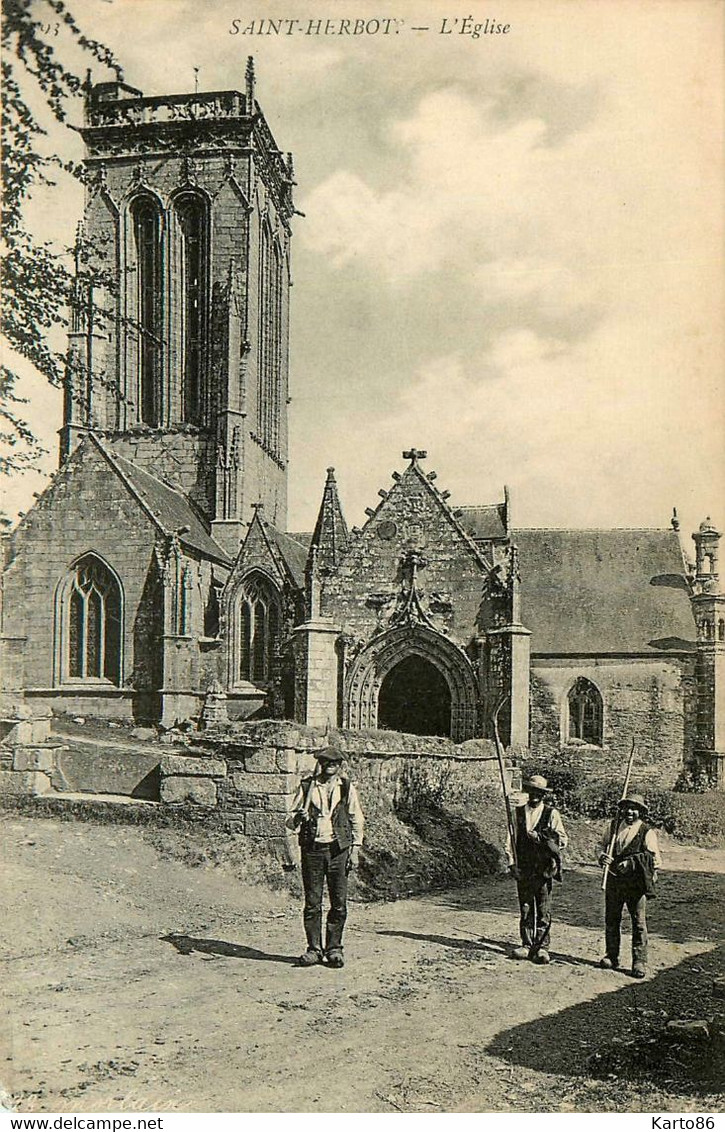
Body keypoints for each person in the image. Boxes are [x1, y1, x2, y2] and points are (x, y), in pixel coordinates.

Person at [286, 741, 364, 969]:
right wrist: (300, 817)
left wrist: (355, 850)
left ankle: (334, 949)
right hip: (312, 850)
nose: (330, 766)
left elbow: (356, 819)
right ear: (320, 764)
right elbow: (290, 822)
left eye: (335, 763)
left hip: (338, 850)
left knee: (339, 903)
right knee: (312, 903)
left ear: (340, 766)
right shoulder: (307, 786)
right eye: (325, 762)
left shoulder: (346, 787)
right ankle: (314, 950)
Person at [506, 774, 568, 965]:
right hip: (524, 865)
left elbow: (562, 840)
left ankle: (542, 947)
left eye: (539, 792)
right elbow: (509, 839)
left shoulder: (551, 814)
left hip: (543, 867)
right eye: (532, 791)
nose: (535, 795)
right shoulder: (517, 814)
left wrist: (542, 838)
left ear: (543, 794)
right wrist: (511, 864)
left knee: (543, 907)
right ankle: (526, 944)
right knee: (525, 907)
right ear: (527, 792)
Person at [598, 793, 661, 979]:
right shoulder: (614, 826)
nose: (630, 812)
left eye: (635, 809)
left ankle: (639, 961)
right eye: (627, 808)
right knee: (612, 918)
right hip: (614, 880)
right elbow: (600, 846)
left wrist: (632, 863)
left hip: (635, 883)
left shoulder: (647, 831)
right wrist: (603, 857)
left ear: (640, 812)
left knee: (638, 922)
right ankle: (611, 956)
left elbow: (654, 859)